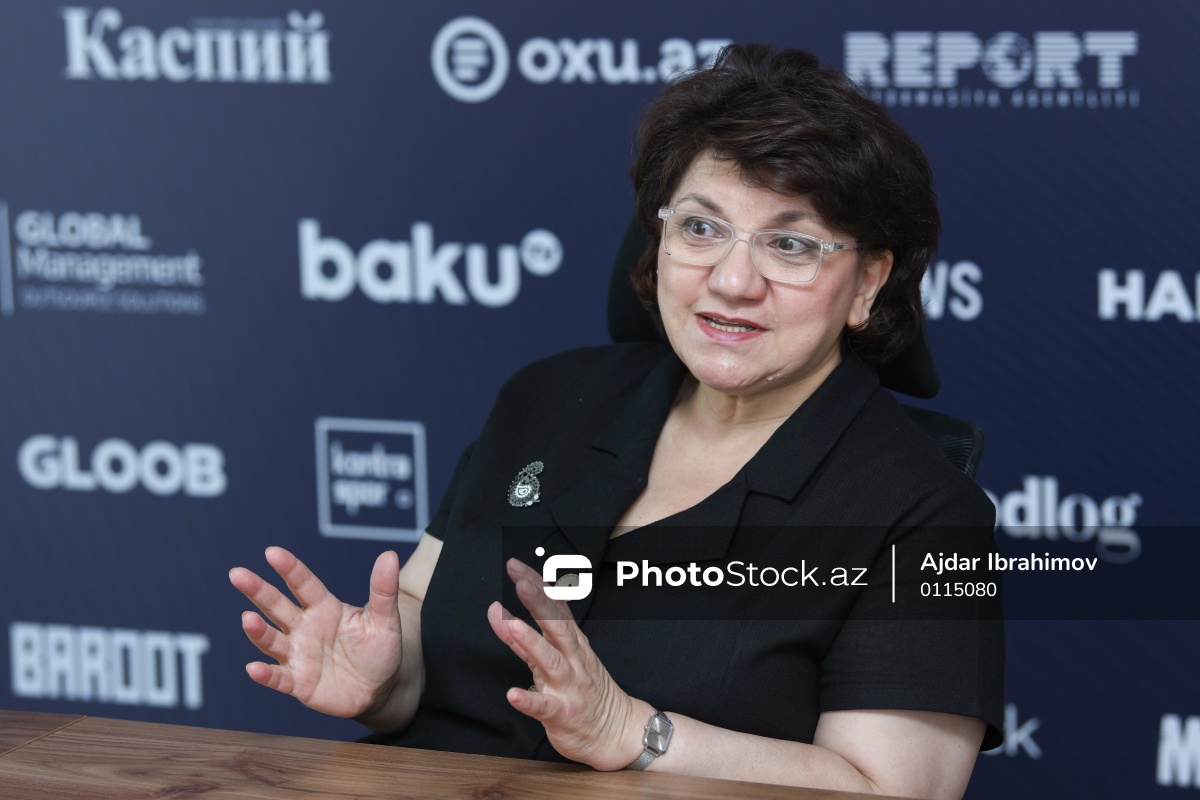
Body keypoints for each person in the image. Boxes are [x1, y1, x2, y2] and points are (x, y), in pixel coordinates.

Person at [229, 45, 1003, 799]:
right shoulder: (546, 398)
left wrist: (635, 734)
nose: (734, 280)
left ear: (868, 282)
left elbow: (891, 787)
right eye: (701, 228)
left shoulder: (926, 512)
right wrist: (382, 681)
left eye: (791, 245)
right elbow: (424, 657)